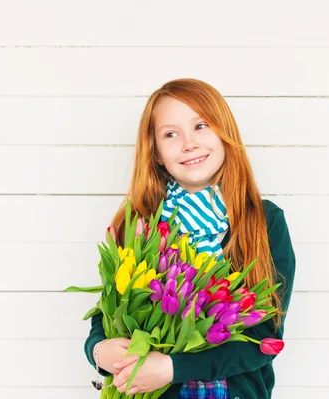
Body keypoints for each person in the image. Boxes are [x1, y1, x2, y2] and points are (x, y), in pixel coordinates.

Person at [83, 78, 297, 399]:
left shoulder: (263, 222)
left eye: (201, 126)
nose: (189, 143)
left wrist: (172, 368)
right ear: (156, 152)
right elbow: (108, 312)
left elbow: (262, 339)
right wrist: (99, 351)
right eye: (171, 134)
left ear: (225, 135)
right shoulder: (140, 224)